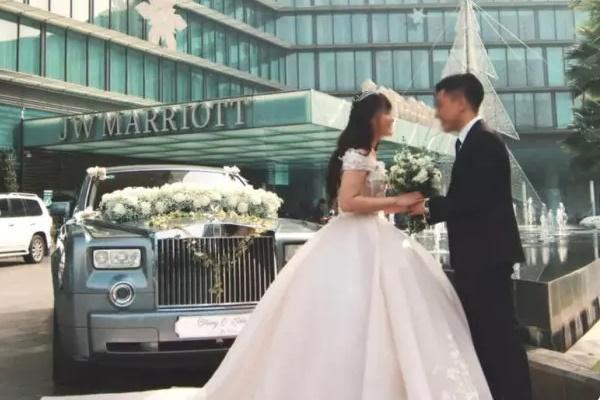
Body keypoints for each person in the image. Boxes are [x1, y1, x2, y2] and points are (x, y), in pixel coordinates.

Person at [43, 91, 492, 400]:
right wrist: (397, 200)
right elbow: (348, 202)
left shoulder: (369, 154)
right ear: (373, 119)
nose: (394, 119)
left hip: (372, 239)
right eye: (388, 114)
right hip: (358, 237)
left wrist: (407, 201)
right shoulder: (357, 155)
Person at [409, 73, 532, 400]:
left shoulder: (485, 142)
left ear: (460, 102)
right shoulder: (470, 142)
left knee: (499, 340)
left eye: (440, 104)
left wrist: (426, 206)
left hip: (487, 260)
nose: (437, 112)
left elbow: (472, 200)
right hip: (477, 259)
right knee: (485, 339)